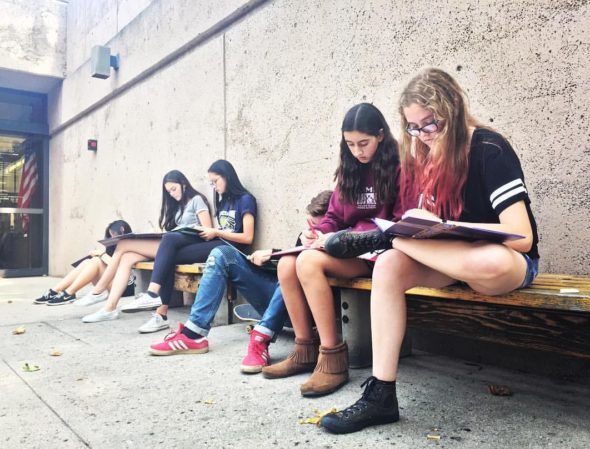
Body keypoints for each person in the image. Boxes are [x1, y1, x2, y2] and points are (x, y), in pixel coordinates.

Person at [319, 68, 540, 434]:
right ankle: (381, 395)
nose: (421, 136)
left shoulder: (489, 149)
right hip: (451, 258)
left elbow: (522, 236)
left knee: (491, 258)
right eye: (412, 127)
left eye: (429, 124)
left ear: (452, 109)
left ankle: (388, 237)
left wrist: (448, 232)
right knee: (388, 266)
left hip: (502, 263)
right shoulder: (425, 157)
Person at [261, 103, 407, 397]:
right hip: (344, 249)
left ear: (380, 135)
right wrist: (318, 232)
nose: (358, 151)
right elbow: (334, 217)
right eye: (350, 144)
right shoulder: (348, 172)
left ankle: (333, 358)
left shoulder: (399, 169)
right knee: (286, 264)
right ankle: (304, 350)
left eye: (364, 143)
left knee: (308, 263)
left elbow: (400, 221)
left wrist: (358, 236)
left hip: (378, 254)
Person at [148, 190, 333, 375]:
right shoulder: (306, 235)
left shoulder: (343, 238)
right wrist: (271, 253)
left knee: (291, 271)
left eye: (317, 227)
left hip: (309, 311)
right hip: (283, 301)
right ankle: (193, 333)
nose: (311, 230)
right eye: (310, 225)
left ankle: (261, 339)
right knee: (221, 254)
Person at [128, 159, 258, 333]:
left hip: (231, 250)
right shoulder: (224, 201)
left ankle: (154, 298)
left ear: (227, 177)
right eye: (211, 183)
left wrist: (216, 232)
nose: (214, 187)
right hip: (218, 243)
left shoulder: (246, 199)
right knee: (169, 246)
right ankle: (160, 314)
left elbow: (247, 238)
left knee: (169, 244)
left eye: (215, 181)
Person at [80, 170, 212, 323]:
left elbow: (207, 230)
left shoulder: (197, 200)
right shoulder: (178, 207)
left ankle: (98, 291)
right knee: (127, 257)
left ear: (183, 184)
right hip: (172, 244)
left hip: (188, 245)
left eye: (174, 189)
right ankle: (109, 308)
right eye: (169, 192)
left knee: (123, 244)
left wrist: (183, 231)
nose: (172, 194)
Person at [33, 220, 133, 306]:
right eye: (111, 235)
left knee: (96, 261)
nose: (113, 237)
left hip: (124, 287)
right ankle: (54, 291)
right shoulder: (114, 246)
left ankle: (69, 293)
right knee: (87, 262)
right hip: (111, 282)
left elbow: (121, 267)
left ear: (123, 230)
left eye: (115, 234)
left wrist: (101, 254)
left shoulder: (131, 245)